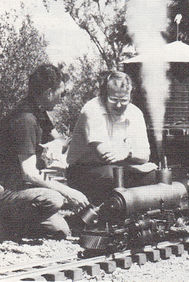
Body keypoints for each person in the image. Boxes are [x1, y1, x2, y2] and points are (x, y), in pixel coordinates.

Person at [0, 64, 89, 240]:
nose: (61, 98)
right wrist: (69, 192)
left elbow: (60, 140)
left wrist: (56, 146)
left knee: (61, 231)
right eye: (60, 93)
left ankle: (12, 224)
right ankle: (6, 223)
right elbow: (30, 173)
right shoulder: (25, 119)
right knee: (54, 199)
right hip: (6, 190)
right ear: (49, 92)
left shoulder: (38, 111)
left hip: (18, 189)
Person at [66, 71, 156, 205]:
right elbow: (104, 155)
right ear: (103, 95)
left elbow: (145, 155)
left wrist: (128, 152)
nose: (119, 105)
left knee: (153, 176)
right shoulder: (92, 110)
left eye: (124, 100)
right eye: (113, 100)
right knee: (112, 175)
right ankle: (107, 212)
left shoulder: (136, 113)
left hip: (121, 167)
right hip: (84, 170)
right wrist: (127, 151)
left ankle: (132, 212)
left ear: (130, 97)